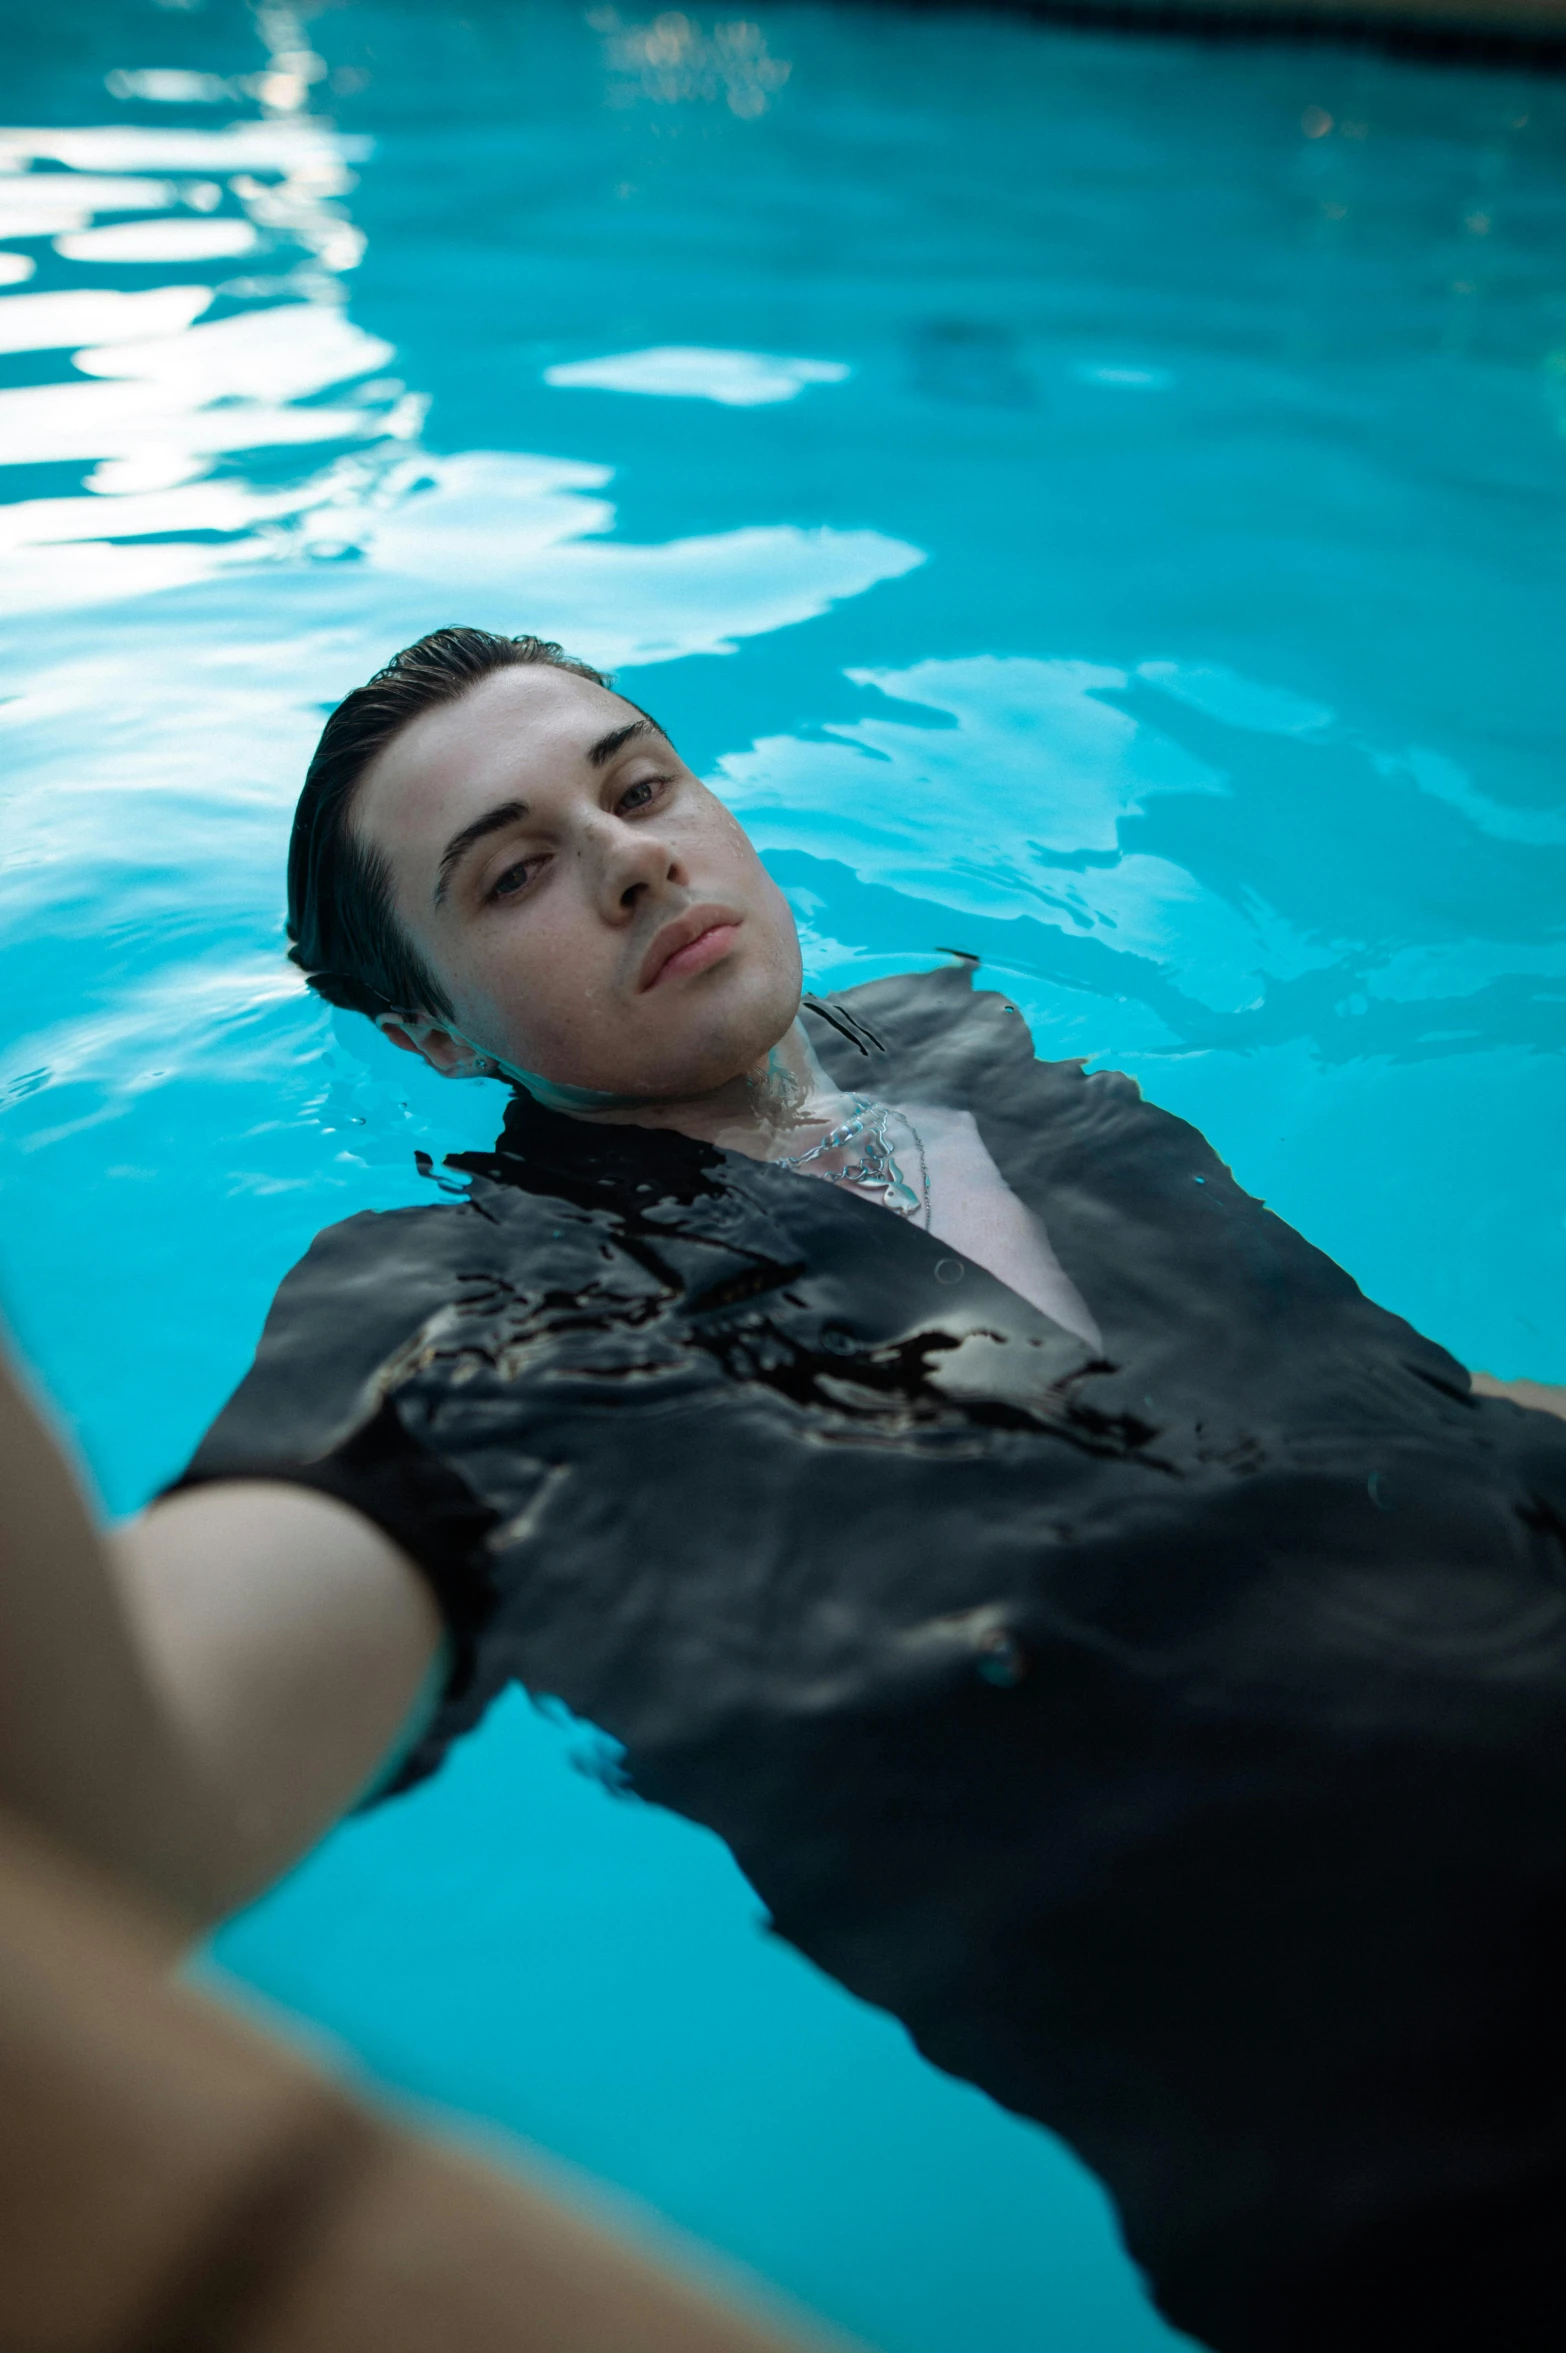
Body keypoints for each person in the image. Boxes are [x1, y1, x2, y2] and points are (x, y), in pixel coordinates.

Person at [5, 626, 1566, 2353]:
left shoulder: (962, 1051)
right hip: (1437, 2092)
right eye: (516, 872)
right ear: (426, 1033)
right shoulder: (485, 1313)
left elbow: (1371, 1393)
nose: (627, 860)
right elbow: (118, 1802)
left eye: (640, 784)